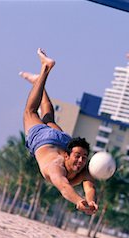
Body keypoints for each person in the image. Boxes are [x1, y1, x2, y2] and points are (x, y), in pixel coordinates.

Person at [20, 48, 98, 215]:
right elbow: (63, 186)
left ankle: (37, 82)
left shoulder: (83, 168)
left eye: (84, 158)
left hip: (63, 139)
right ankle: (45, 69)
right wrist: (78, 200)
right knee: (30, 112)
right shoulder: (56, 166)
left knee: (49, 118)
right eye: (78, 156)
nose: (81, 161)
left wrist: (91, 201)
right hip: (43, 140)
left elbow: (90, 186)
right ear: (66, 155)